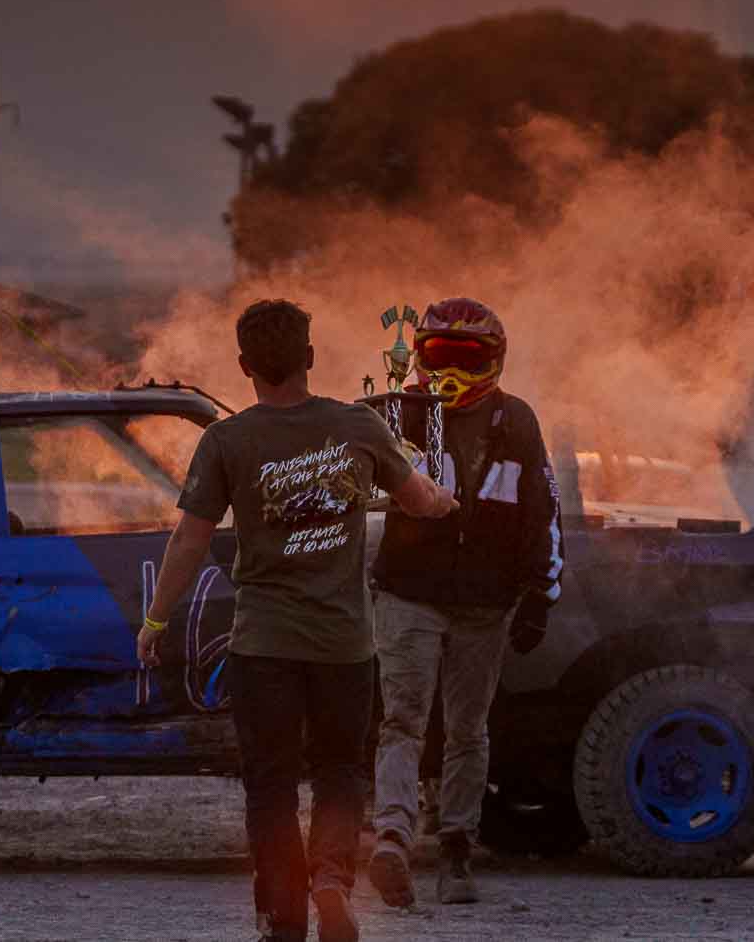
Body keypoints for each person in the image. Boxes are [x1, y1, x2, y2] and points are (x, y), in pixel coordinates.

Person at [137, 299, 454, 942]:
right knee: (340, 771)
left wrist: (156, 621)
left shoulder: (226, 440)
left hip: (264, 647)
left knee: (271, 785)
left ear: (245, 365)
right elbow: (418, 499)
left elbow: (189, 542)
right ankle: (332, 882)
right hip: (344, 645)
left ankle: (283, 916)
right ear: (309, 358)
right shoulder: (359, 425)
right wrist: (446, 502)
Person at [367, 297, 562, 908]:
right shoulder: (398, 415)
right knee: (401, 719)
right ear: (419, 357)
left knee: (467, 730)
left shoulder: (519, 422)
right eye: (437, 355)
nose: (448, 370)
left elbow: (544, 513)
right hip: (407, 591)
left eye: (464, 357)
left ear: (494, 361)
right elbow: (354, 496)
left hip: (487, 602)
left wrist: (541, 593)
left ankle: (456, 850)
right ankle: (393, 839)